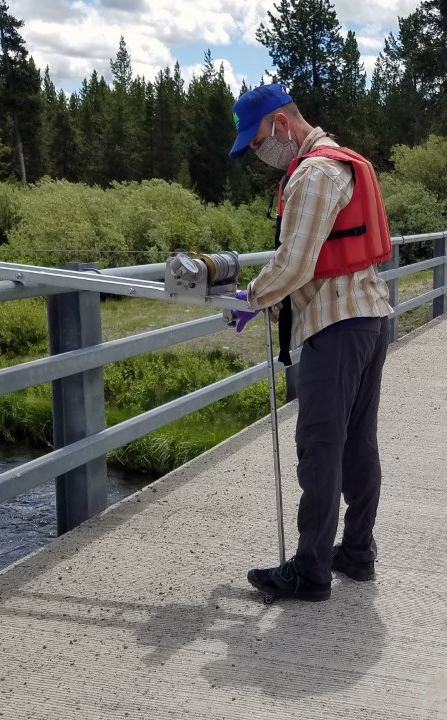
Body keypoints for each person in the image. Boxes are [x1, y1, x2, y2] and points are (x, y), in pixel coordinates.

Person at [228, 83, 394, 602]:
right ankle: (356, 552)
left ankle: (311, 570)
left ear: (281, 124)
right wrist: (273, 301)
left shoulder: (313, 173)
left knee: (320, 448)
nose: (259, 155)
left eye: (256, 143)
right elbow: (315, 261)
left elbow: (295, 263)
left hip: (336, 324)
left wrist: (251, 297)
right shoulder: (337, 163)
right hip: (368, 317)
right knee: (357, 443)